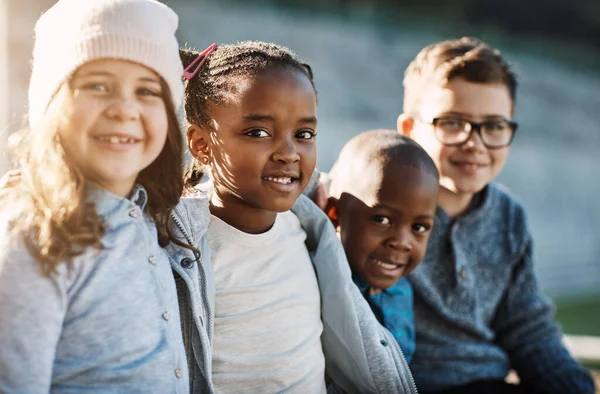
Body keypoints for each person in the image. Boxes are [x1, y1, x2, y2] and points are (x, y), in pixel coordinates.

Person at [167, 41, 418, 393]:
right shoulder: (178, 246)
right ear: (202, 145)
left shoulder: (308, 224)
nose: (288, 153)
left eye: (304, 134)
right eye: (258, 133)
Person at [0, 0, 190, 392]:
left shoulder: (150, 215)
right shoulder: (36, 234)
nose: (124, 108)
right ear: (52, 106)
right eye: (98, 86)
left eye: (147, 91)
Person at [396, 37, 596, 394]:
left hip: (489, 381)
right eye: (453, 123)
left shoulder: (508, 216)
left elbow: (528, 329)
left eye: (493, 126)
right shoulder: (377, 209)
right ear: (409, 129)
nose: (475, 143)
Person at [324, 129, 439, 364]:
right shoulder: (323, 288)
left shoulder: (403, 290)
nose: (402, 242)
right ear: (335, 214)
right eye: (382, 220)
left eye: (419, 227)